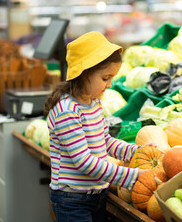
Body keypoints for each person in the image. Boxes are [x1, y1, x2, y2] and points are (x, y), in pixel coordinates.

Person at [44, 31, 149, 222]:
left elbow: (104, 140)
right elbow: (84, 162)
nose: (109, 85)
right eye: (105, 78)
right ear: (84, 73)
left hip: (96, 195)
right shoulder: (67, 111)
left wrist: (136, 152)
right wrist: (132, 176)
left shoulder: (93, 103)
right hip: (72, 200)